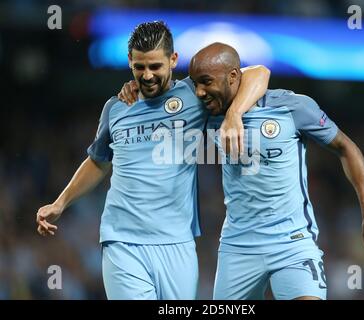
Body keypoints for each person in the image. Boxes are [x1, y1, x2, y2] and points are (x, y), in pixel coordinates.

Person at [35, 22, 270, 300]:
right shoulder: (117, 107)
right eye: (139, 67)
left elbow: (259, 73)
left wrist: (234, 115)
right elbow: (99, 161)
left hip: (177, 244)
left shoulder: (196, 97)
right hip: (122, 241)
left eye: (155, 67)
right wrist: (60, 202)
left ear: (173, 60)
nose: (146, 76)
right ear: (130, 62)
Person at [186, 42, 364, 300]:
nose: (200, 92)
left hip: (291, 242)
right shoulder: (206, 110)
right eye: (196, 84)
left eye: (206, 82)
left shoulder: (290, 107)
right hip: (237, 247)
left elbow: (346, 147)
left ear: (234, 76)